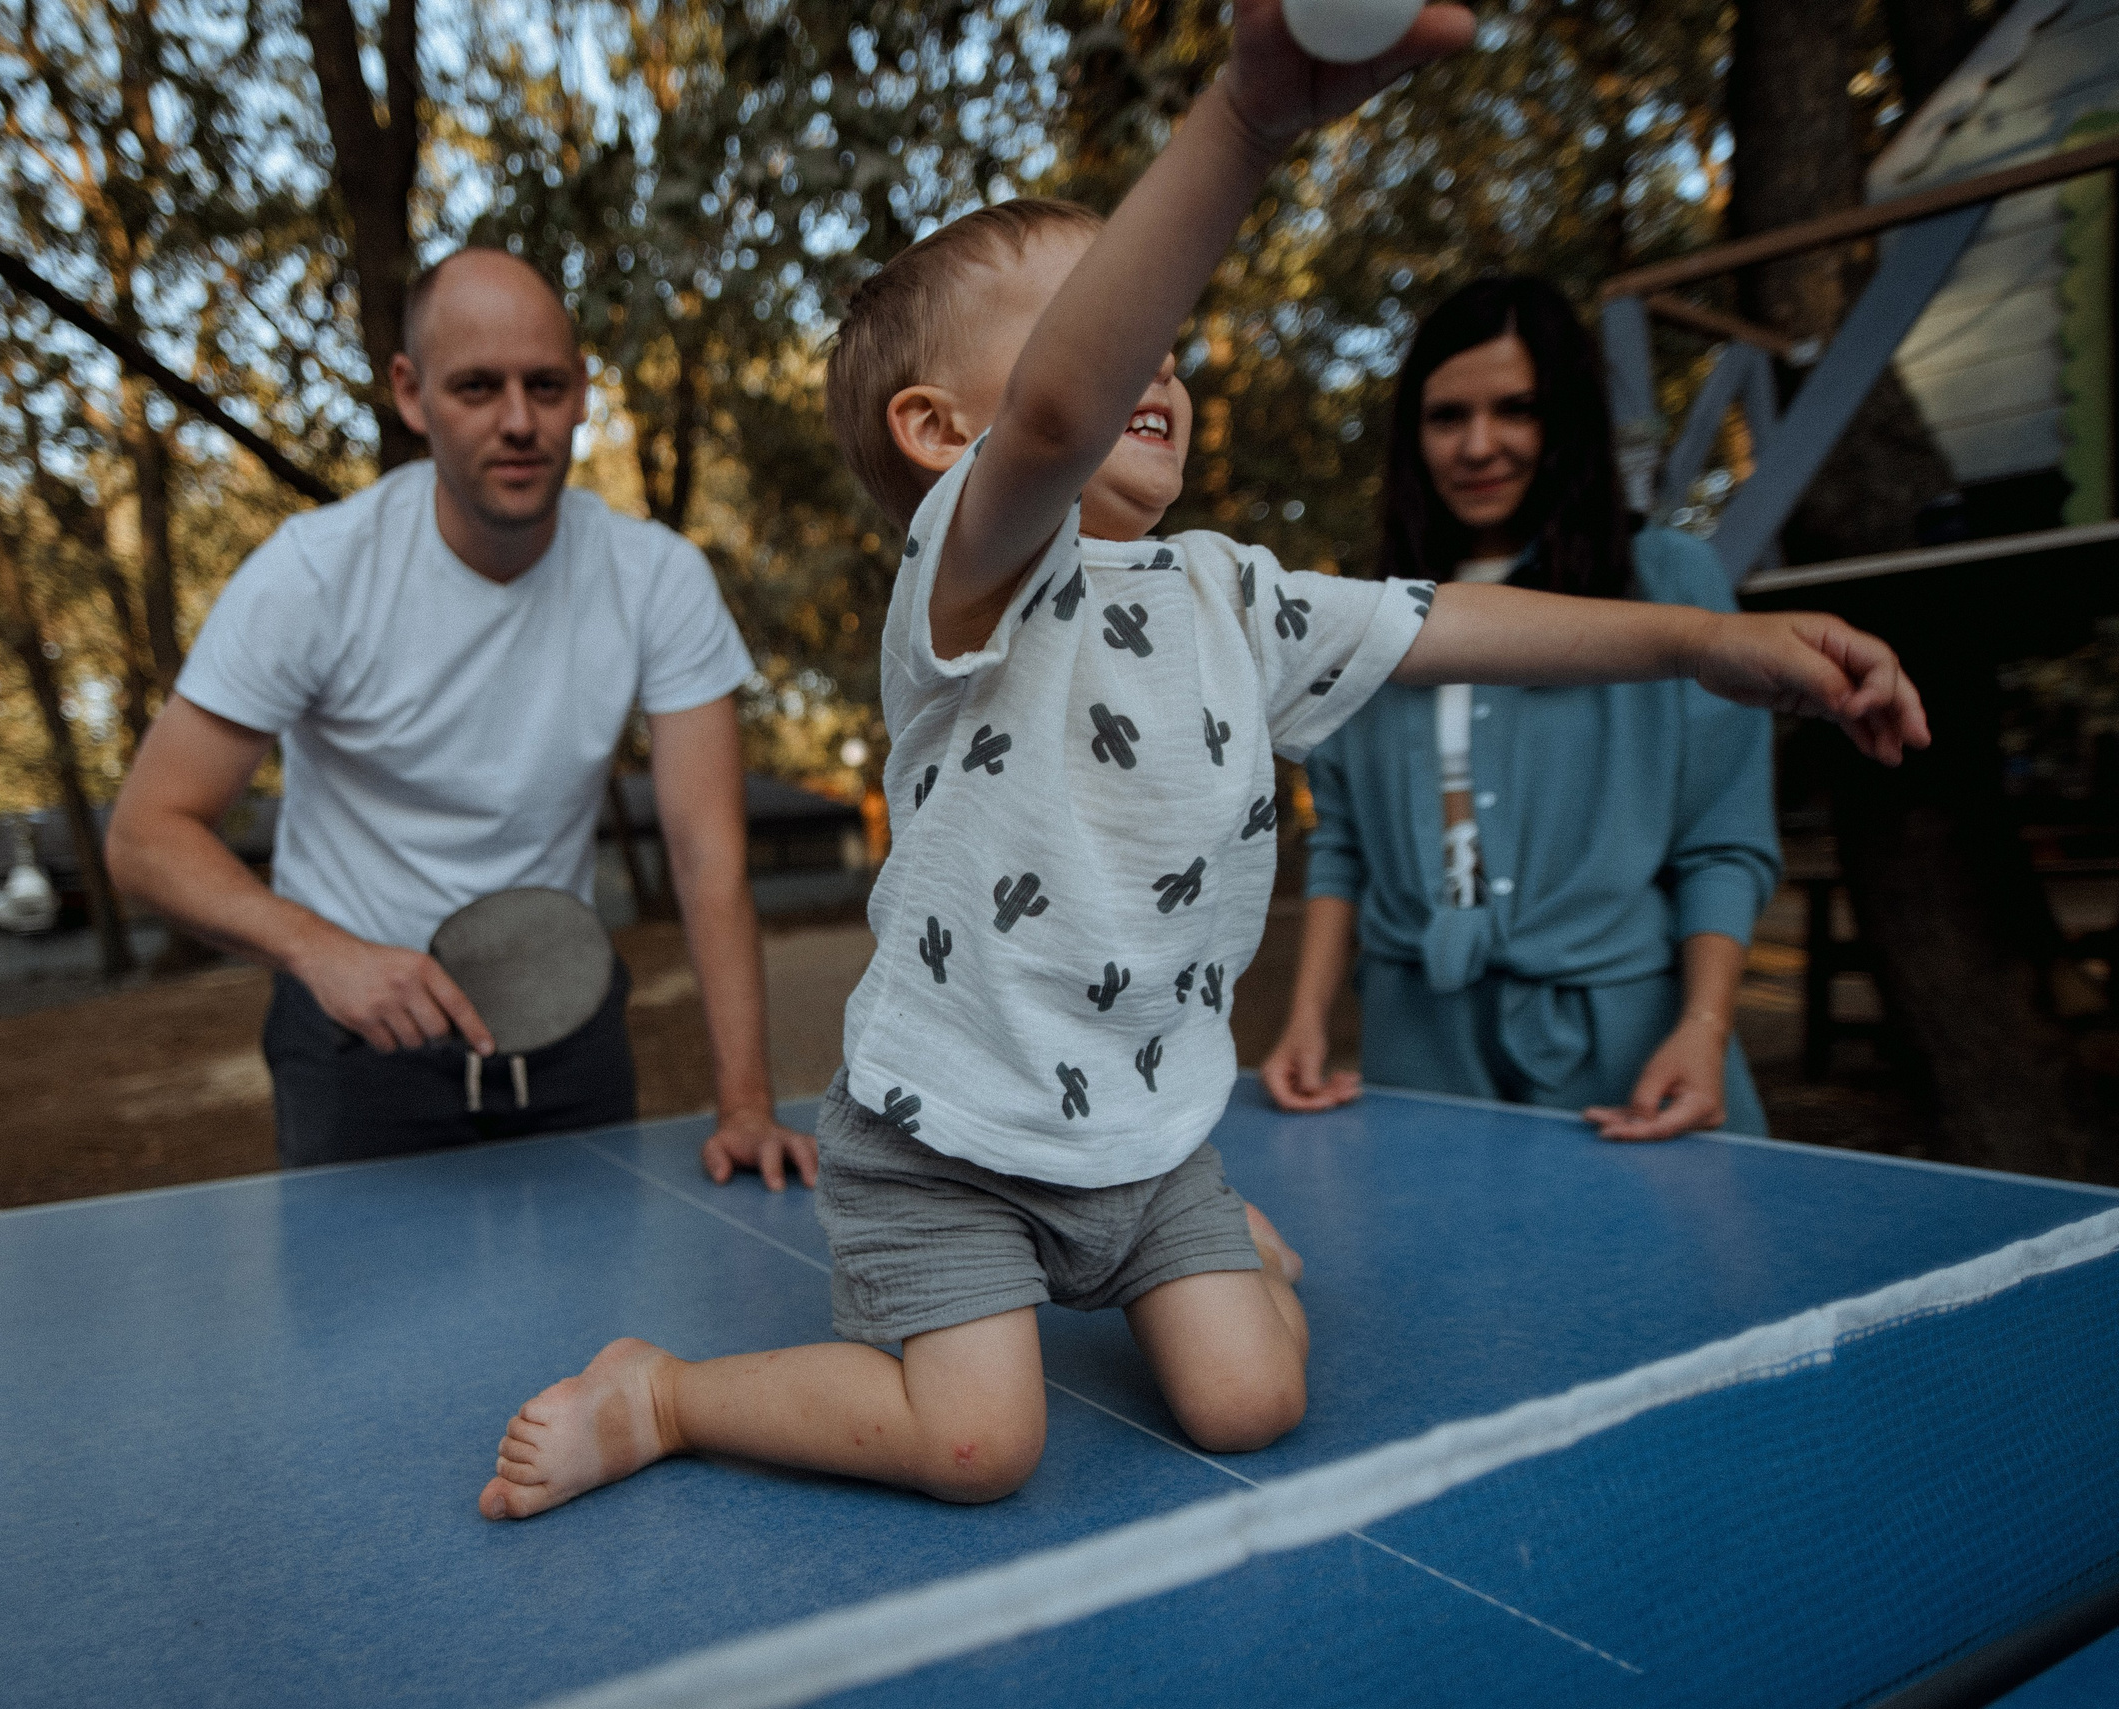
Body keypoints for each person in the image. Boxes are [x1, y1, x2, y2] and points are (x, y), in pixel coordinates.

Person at [473, 0, 1928, 1521]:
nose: (1150, 360)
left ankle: (1215, 1248)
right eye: (1107, 326)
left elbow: (1451, 623)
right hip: (950, 1132)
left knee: (1251, 1401)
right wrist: (1245, 120)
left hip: (1148, 1130)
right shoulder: (969, 580)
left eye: (1162, 339)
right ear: (938, 430)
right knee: (978, 1448)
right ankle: (664, 1392)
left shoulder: (1237, 594)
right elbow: (1056, 412)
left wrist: (1702, 643)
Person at [106, 249, 815, 1184]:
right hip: (355, 1046)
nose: (519, 421)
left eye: (545, 386)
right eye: (477, 387)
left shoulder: (659, 579)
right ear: (411, 393)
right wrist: (325, 953)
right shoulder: (313, 575)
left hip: (565, 1023)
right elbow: (145, 836)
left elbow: (708, 859)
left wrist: (747, 1105)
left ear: (581, 392)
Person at [1260, 277, 1778, 1139]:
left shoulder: (1670, 585)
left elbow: (1723, 843)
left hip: (1629, 1048)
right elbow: (1343, 843)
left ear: (1565, 418)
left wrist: (1704, 1025)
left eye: (1516, 409)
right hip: (1415, 1041)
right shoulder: (1368, 612)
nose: (1479, 445)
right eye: (1447, 417)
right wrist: (1308, 1017)